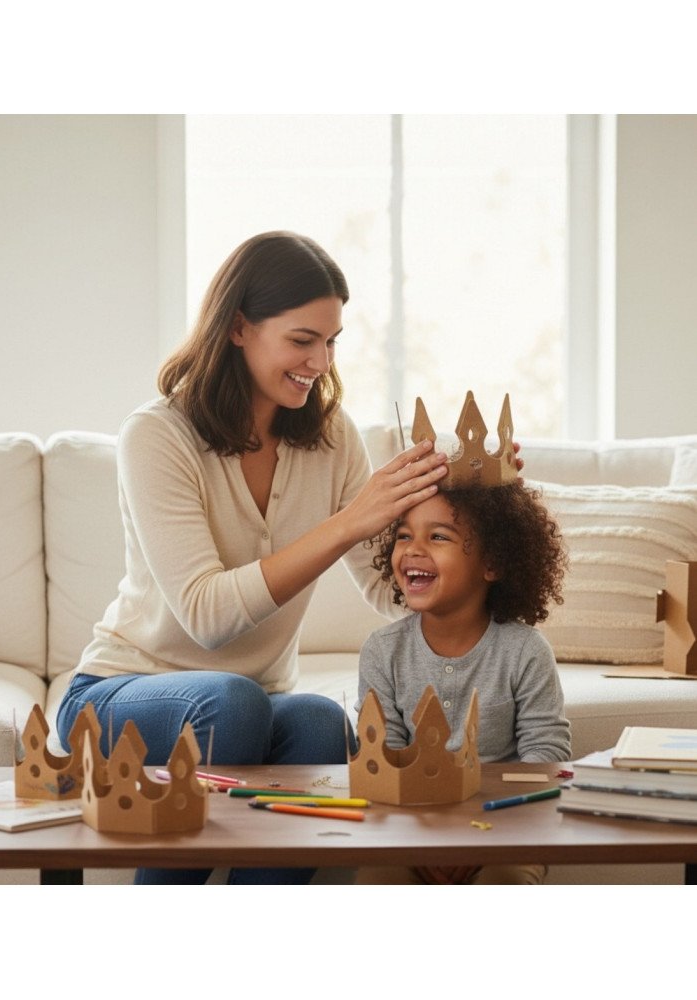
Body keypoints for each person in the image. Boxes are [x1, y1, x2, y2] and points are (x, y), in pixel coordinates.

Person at [55, 231, 451, 884]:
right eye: (303, 340)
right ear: (239, 327)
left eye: (332, 342)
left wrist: (468, 510)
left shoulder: (331, 438)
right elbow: (206, 615)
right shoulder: (157, 434)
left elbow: (392, 592)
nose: (320, 361)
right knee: (232, 703)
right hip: (116, 696)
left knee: (321, 724)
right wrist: (348, 523)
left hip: (255, 701)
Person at [355, 481, 571, 885]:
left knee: (505, 883)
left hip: (506, 830)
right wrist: (423, 838)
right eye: (404, 535)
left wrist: (483, 837)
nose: (413, 549)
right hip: (409, 831)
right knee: (376, 881)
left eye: (438, 536)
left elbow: (546, 753)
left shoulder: (526, 650)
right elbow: (387, 758)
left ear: (492, 563)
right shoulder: (382, 651)